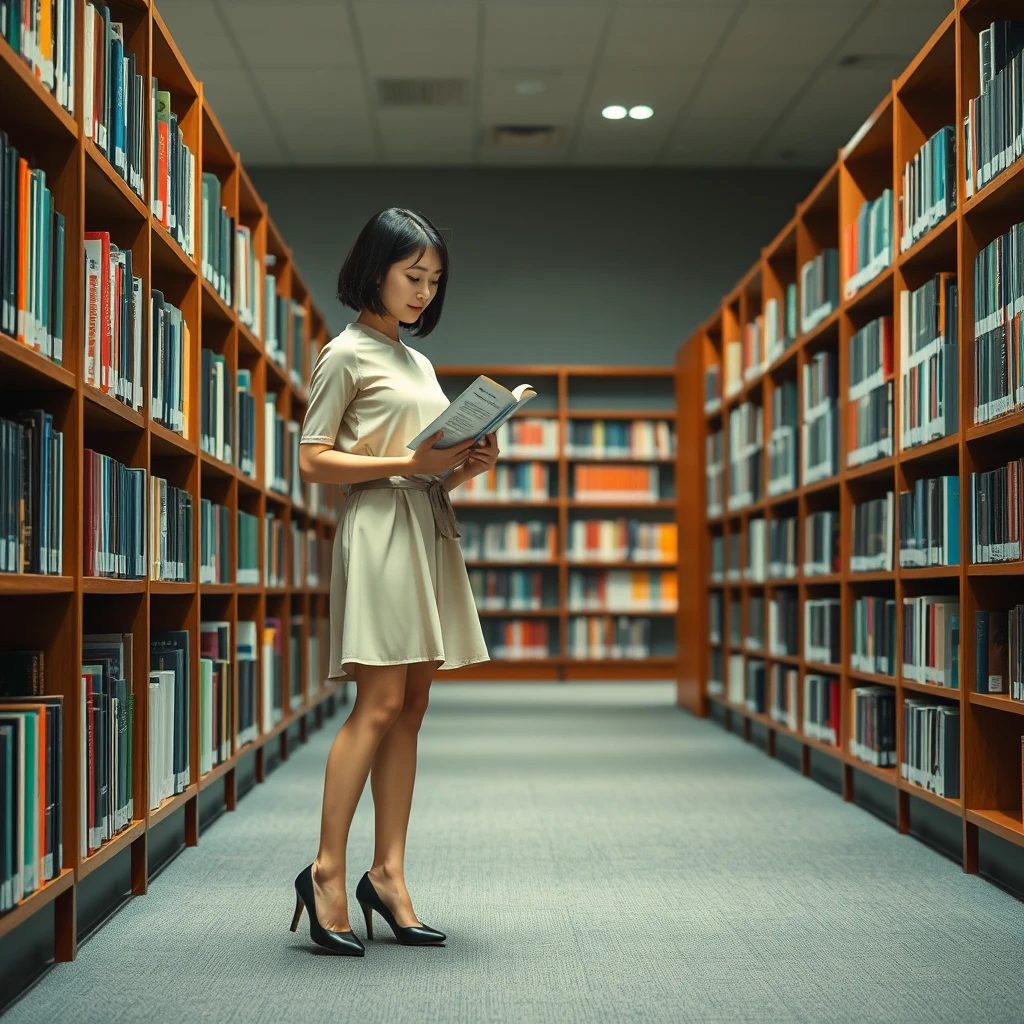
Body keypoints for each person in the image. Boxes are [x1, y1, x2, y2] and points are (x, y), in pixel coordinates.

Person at [289, 208, 494, 956]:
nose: (423, 291)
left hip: (425, 526)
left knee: (412, 704)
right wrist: (409, 464)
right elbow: (313, 459)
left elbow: (421, 462)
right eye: (413, 276)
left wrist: (462, 467)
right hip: (378, 531)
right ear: (375, 269)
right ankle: (327, 872)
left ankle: (390, 874)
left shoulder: (418, 364)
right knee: (375, 704)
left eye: (434, 280)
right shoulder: (343, 353)